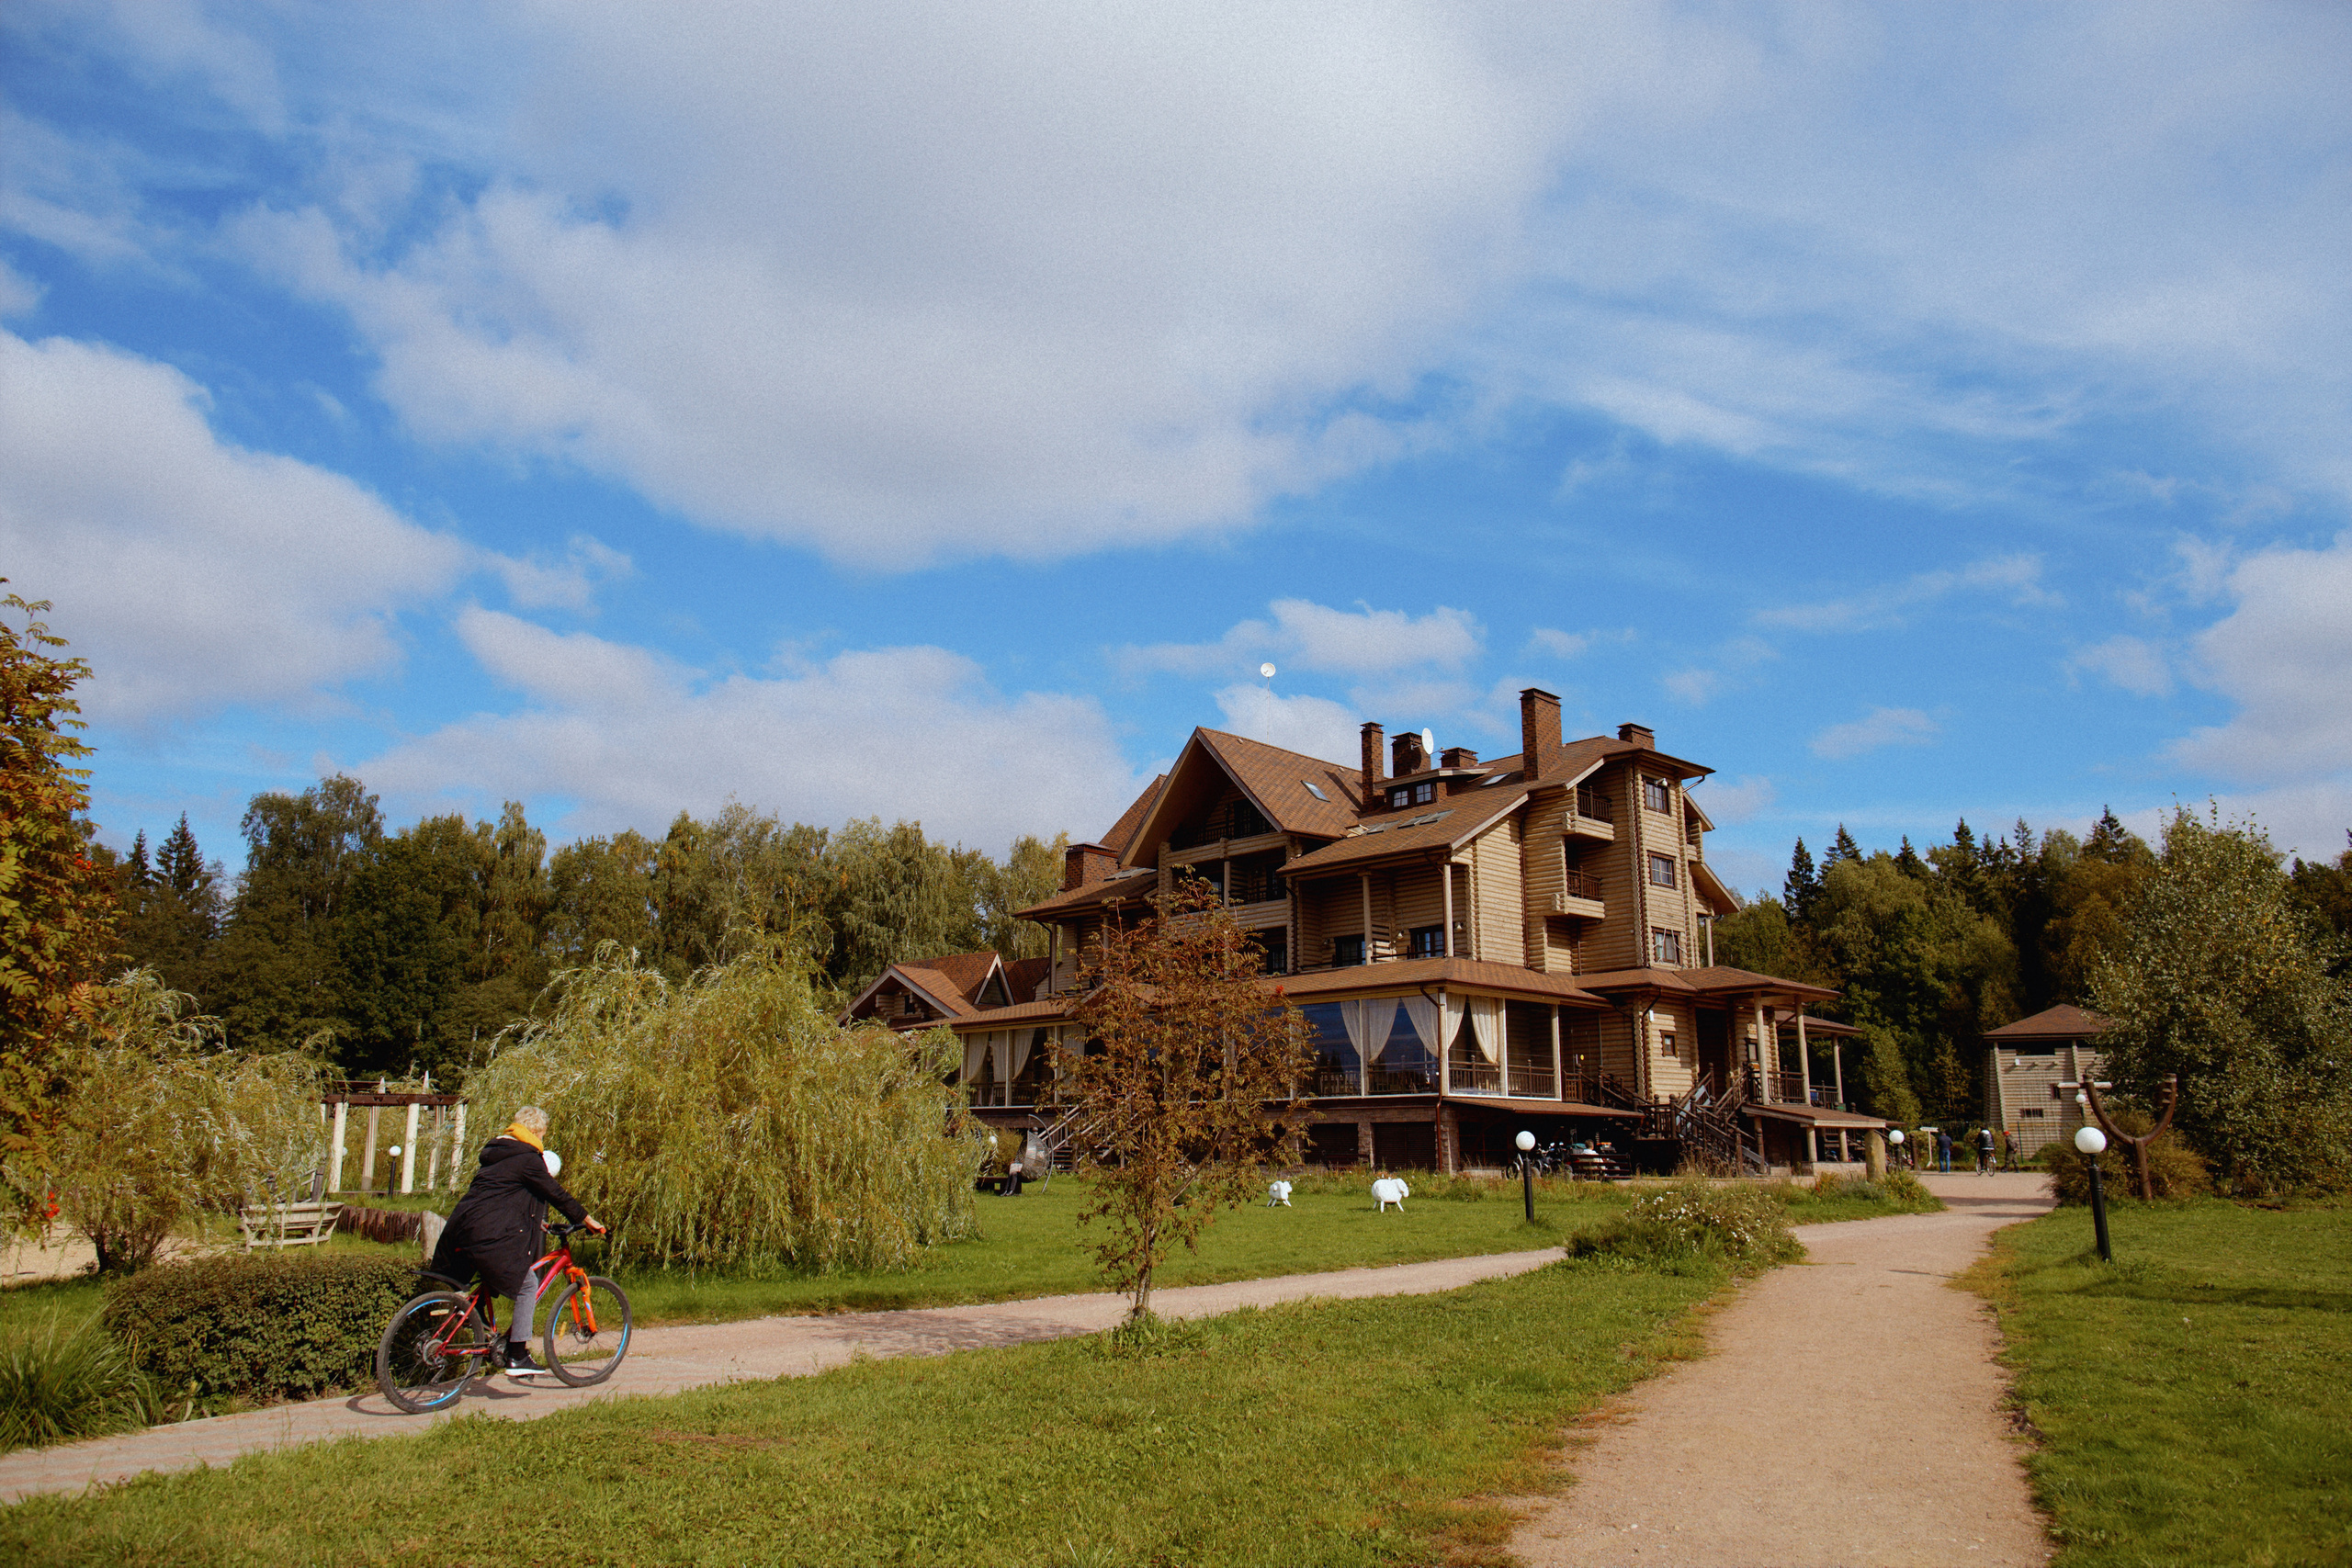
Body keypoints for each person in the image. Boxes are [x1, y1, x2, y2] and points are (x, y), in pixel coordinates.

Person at [426, 1104, 604, 1379]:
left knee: (489, 1278)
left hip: (462, 1229)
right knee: (527, 1285)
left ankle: (481, 1328)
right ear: (533, 1132)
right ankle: (518, 1356)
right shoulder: (526, 1157)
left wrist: (538, 1223)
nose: (542, 1141)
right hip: (488, 1235)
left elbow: (504, 1198)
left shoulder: (498, 1155)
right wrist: (586, 1218)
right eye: (542, 1135)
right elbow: (554, 1192)